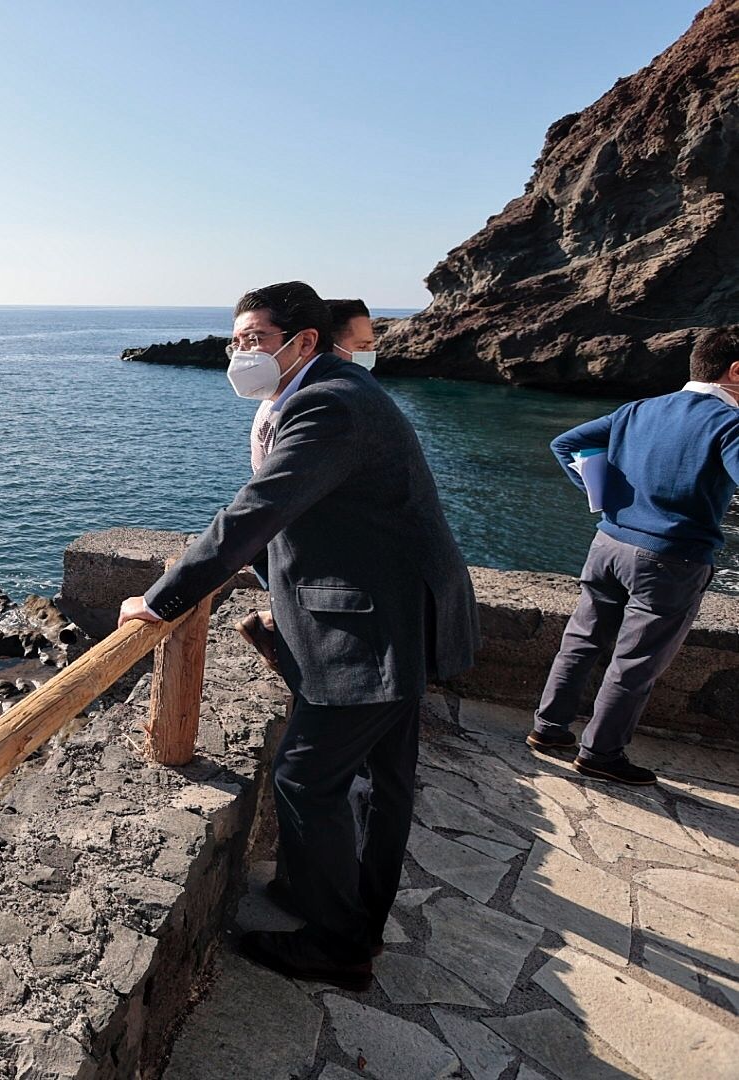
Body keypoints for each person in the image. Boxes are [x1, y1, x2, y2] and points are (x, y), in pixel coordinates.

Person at [118, 281, 479, 990]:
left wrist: (164, 600)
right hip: (396, 613)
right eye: (236, 339)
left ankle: (339, 946)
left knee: (306, 779)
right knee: (383, 784)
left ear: (302, 341)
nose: (239, 352)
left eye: (253, 338)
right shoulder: (332, 390)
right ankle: (347, 908)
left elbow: (257, 510)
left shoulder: (328, 403)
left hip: (372, 629)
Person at [528, 326, 739, 784]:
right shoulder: (730, 424)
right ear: (735, 370)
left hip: (608, 544)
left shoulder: (638, 409)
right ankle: (600, 754)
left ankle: (548, 729)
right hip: (671, 558)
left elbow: (564, 444)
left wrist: (602, 498)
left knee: (582, 640)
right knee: (636, 662)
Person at [236, 297, 379, 666]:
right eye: (362, 347)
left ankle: (275, 624)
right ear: (319, 344)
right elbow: (268, 502)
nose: (371, 354)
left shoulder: (294, 399)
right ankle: (280, 631)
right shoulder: (311, 405)